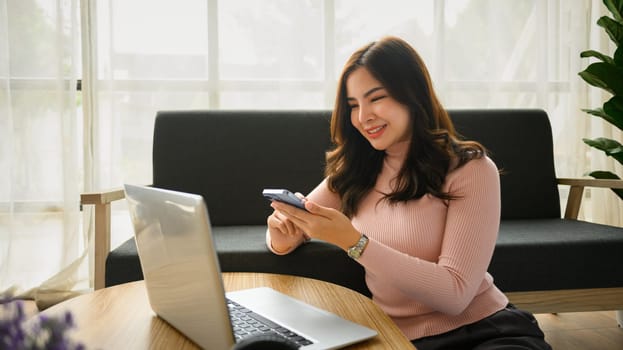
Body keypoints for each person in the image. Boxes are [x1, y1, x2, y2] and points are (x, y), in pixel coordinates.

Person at [265, 36, 551, 350]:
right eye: (353, 106)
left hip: (483, 332)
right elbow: (293, 228)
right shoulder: (354, 172)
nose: (363, 116)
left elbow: (455, 295)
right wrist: (281, 232)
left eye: (376, 98)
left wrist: (354, 242)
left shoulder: (472, 171)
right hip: (396, 339)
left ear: (411, 94)